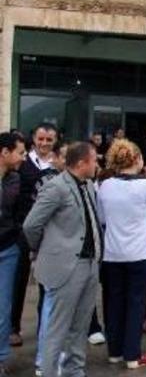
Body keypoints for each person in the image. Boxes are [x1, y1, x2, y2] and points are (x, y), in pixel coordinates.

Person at [23, 142, 101, 377]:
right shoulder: (56, 187)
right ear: (82, 163)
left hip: (90, 263)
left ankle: (74, 371)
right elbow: (31, 225)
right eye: (94, 160)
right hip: (66, 267)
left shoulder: (88, 185)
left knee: (80, 326)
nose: (97, 164)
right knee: (57, 329)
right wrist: (47, 249)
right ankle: (48, 372)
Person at [98, 139, 146, 369]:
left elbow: (102, 218)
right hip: (142, 252)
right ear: (138, 159)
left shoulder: (106, 185)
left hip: (113, 253)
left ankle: (115, 352)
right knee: (136, 302)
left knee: (114, 302)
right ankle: (132, 354)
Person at [11, 122, 58, 348]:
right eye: (41, 138)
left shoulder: (59, 164)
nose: (44, 143)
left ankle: (45, 330)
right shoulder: (22, 164)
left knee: (47, 282)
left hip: (51, 231)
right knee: (17, 279)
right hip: (23, 229)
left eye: (49, 139)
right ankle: (13, 327)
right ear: (33, 139)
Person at [0, 133, 26, 377]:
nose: (23, 157)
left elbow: (21, 212)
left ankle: (0, 358)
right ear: (5, 152)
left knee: (3, 306)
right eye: (20, 152)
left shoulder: (16, 179)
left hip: (8, 248)